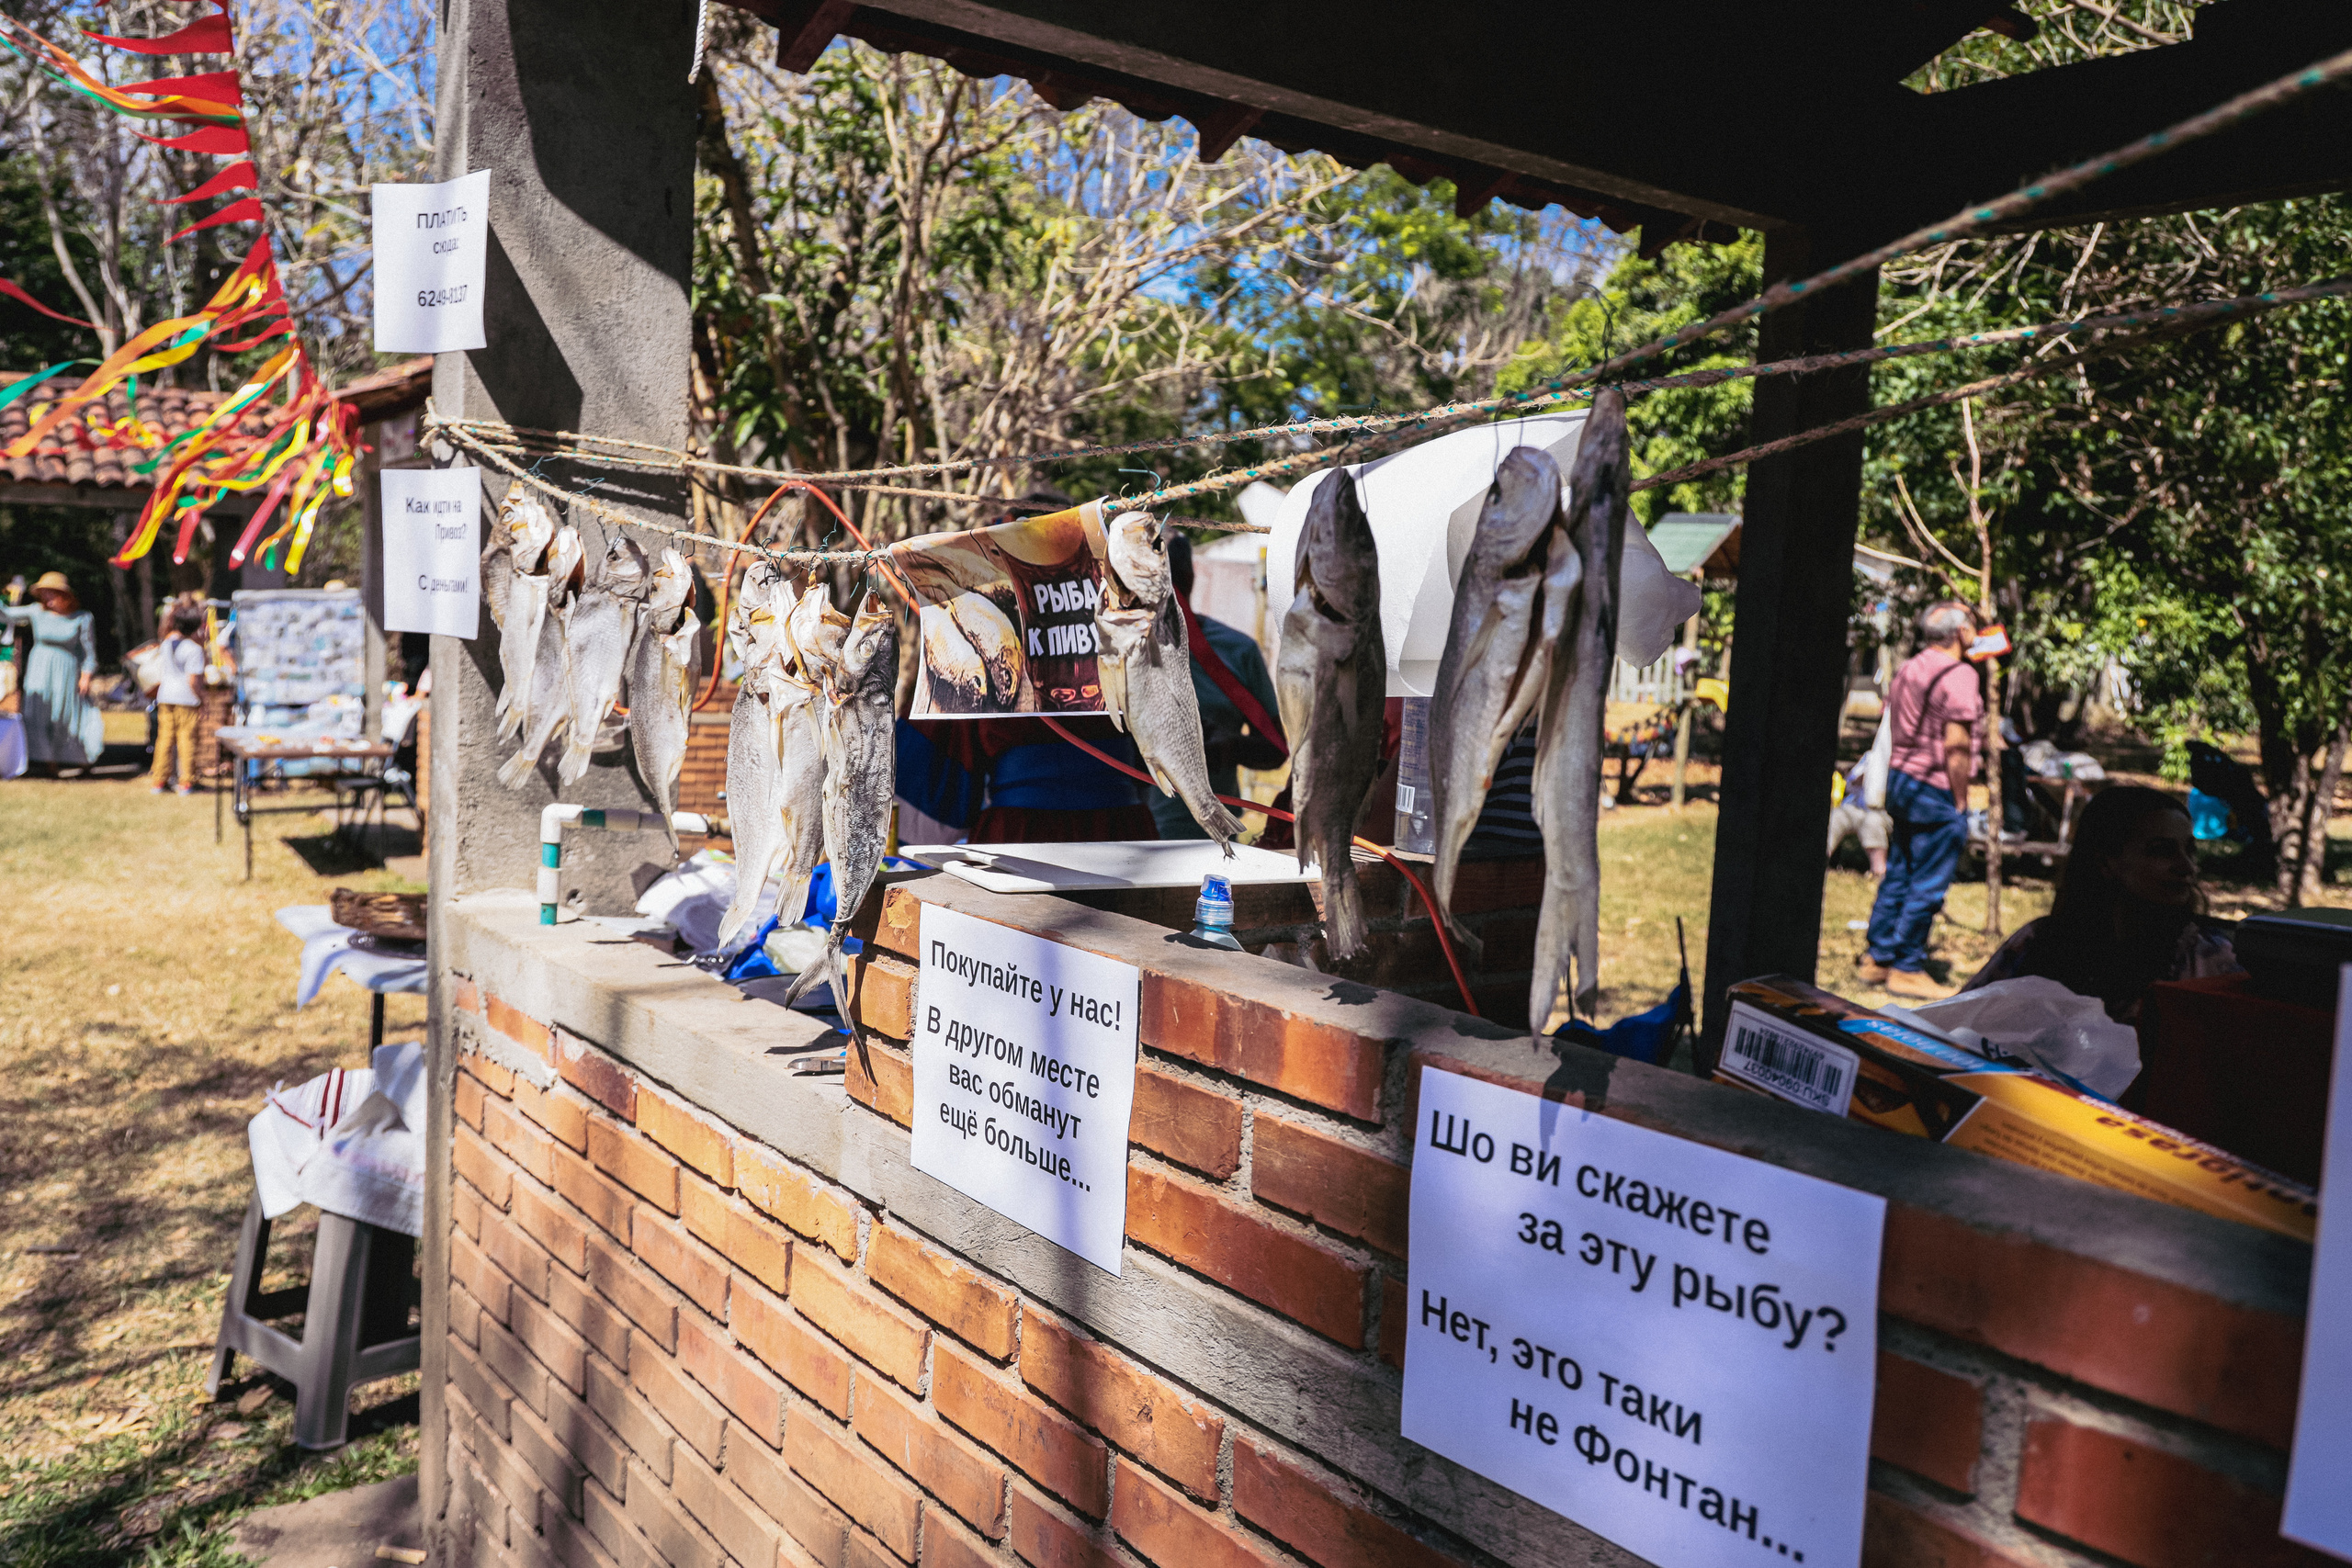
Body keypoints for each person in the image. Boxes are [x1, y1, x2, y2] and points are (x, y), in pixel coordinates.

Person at [1963, 785, 2239, 1022]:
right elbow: (1953, 1026)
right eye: (2162, 851)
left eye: (2190, 851)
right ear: (2107, 862)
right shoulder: (2041, 943)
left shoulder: (2208, 960)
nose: (2186, 867)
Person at [1859, 601, 1984, 998]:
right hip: (1934, 785)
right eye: (1973, 625)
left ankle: (1877, 958)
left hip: (1902, 781)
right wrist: (1960, 800)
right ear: (1960, 632)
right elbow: (1957, 744)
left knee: (1900, 870)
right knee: (1928, 881)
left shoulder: (1909, 668)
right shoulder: (1960, 674)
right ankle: (1907, 966)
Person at [1149, 532, 1286, 840]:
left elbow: (1276, 749)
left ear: (1188, 579)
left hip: (1217, 835)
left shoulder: (1237, 650)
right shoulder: (1122, 652)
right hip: (1140, 832)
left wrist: (1230, 745)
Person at [1, 570, 106, 773]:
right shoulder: (35, 611)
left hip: (67, 670)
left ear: (65, 596)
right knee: (40, 712)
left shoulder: (82, 618)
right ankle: (48, 762)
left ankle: (81, 760)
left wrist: (86, 676)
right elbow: (6, 614)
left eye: (52, 593)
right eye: (44, 593)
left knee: (69, 714)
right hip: (40, 668)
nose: (47, 597)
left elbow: (89, 652)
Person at [146, 602, 209, 795]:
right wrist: (203, 699)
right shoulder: (194, 650)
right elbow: (193, 681)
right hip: (186, 699)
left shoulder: (167, 643)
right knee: (186, 739)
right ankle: (186, 781)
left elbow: (167, 631)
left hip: (165, 696)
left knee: (164, 739)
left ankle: (159, 779)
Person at [1827, 759, 1890, 877]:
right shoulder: (1871, 756)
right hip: (1855, 806)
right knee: (1835, 817)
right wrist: (1860, 779)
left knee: (1872, 822)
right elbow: (1849, 784)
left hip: (1881, 812)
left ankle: (1878, 872)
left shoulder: (1902, 763)